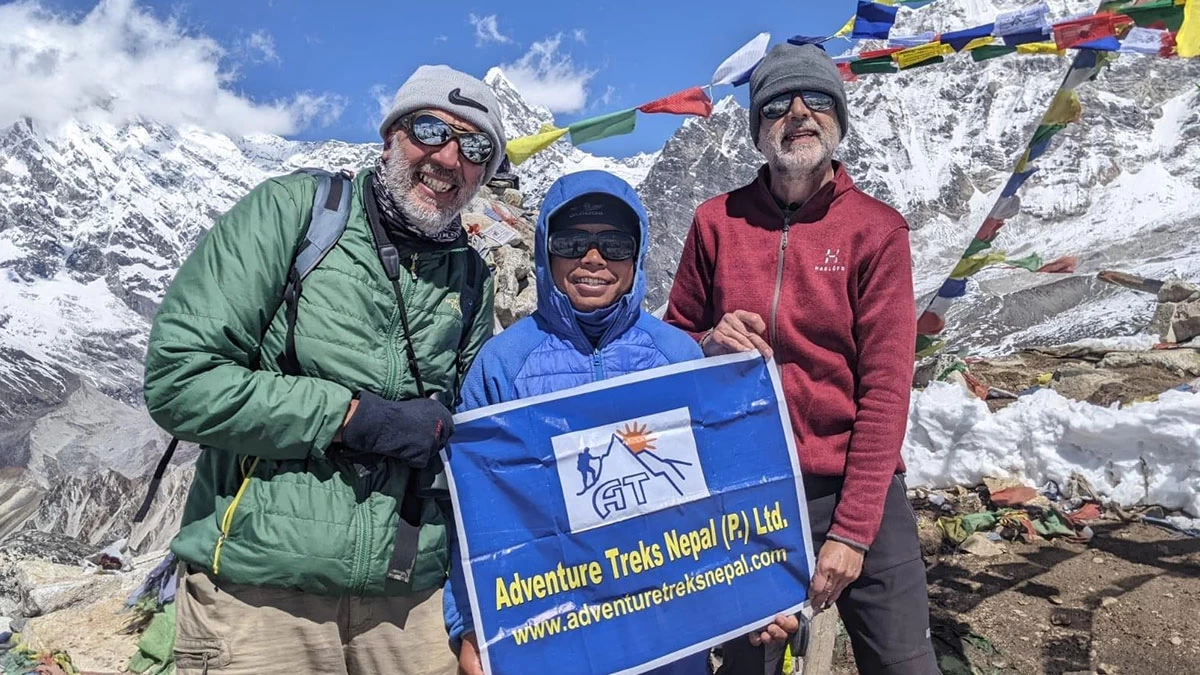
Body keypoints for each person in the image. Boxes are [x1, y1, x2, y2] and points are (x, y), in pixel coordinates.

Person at [142, 64, 505, 675]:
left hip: (410, 602)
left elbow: (477, 434)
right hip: (260, 595)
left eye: (475, 148)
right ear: (391, 135)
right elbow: (181, 381)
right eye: (430, 129)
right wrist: (349, 418)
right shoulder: (292, 215)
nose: (449, 157)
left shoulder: (470, 277)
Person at [664, 43, 939, 674]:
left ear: (838, 119)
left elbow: (887, 388)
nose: (799, 114)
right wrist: (708, 342)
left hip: (855, 482)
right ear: (758, 128)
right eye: (777, 105)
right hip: (747, 490)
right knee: (746, 666)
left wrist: (852, 530)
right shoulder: (716, 223)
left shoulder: (876, 231)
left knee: (904, 663)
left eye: (816, 100)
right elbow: (673, 339)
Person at [443, 170, 737, 675]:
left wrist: (759, 584)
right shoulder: (502, 364)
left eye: (615, 244)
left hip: (668, 630)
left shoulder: (677, 357)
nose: (593, 259)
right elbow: (469, 511)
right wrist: (467, 620)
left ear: (637, 254)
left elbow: (727, 490)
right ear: (545, 250)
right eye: (572, 241)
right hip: (550, 631)